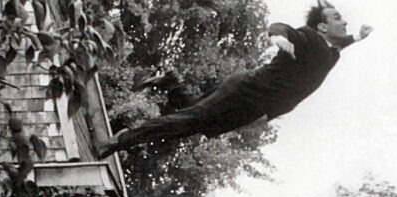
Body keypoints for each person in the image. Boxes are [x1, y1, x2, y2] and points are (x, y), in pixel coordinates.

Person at [95, 1, 373, 158]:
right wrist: (277, 37)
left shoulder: (331, 53)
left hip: (255, 107)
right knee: (190, 122)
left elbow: (341, 42)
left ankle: (170, 81)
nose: (344, 22)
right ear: (322, 26)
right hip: (246, 91)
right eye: (338, 18)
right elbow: (282, 27)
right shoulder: (310, 38)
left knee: (199, 120)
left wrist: (358, 37)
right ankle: (119, 140)